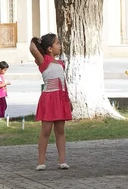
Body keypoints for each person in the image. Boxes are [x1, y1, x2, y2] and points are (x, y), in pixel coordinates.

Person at [29, 34, 73, 171]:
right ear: (49, 48)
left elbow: (63, 82)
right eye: (57, 43)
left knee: (60, 131)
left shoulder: (60, 63)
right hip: (48, 100)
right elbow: (32, 49)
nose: (60, 46)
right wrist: (35, 40)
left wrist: (68, 99)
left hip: (61, 98)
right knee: (46, 131)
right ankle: (41, 162)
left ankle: (62, 161)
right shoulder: (44, 61)